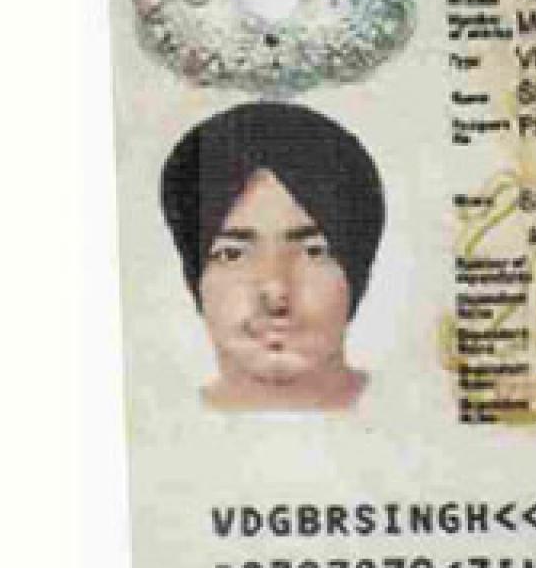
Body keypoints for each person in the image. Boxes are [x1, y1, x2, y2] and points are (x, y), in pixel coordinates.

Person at [160, 103, 385, 411]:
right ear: (194, 278)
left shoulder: (415, 413)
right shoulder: (163, 420)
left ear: (359, 270)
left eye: (314, 252)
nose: (275, 291)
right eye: (232, 254)